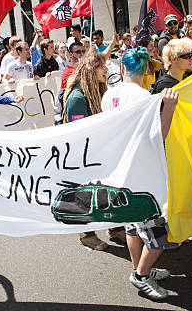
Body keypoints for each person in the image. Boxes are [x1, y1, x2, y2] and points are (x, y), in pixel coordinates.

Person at [101, 47, 180, 300]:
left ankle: (139, 268)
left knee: (133, 225)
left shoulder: (109, 95)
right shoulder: (144, 97)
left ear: (122, 68)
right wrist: (168, 107)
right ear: (146, 70)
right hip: (141, 172)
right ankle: (142, 276)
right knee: (159, 232)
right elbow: (158, 137)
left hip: (120, 170)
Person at [62, 51, 126, 250]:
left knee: (109, 191)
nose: (106, 69)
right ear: (91, 70)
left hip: (101, 151)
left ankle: (115, 228)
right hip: (86, 156)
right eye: (102, 66)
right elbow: (78, 133)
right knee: (87, 195)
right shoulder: (77, 98)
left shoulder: (97, 90)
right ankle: (86, 234)